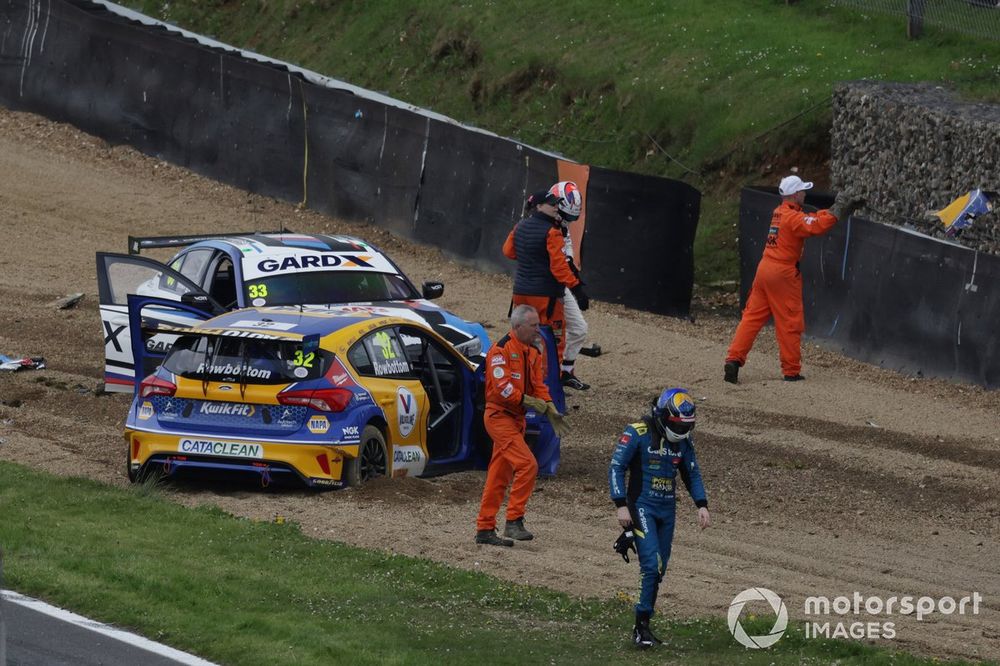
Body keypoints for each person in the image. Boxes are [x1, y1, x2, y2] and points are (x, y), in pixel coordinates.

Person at [724, 175, 862, 383]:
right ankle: (791, 371)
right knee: (790, 321)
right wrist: (839, 208)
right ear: (796, 194)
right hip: (783, 274)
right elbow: (815, 225)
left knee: (751, 318)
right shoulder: (792, 218)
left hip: (765, 270)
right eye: (803, 191)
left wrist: (838, 211)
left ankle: (733, 359)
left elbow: (812, 219)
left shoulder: (780, 213)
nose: (805, 194)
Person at [608, 388, 710, 648]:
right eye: (677, 423)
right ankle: (640, 627)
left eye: (686, 424)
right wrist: (621, 505)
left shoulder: (684, 442)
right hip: (642, 507)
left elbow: (692, 474)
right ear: (663, 415)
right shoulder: (636, 432)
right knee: (651, 567)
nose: (681, 428)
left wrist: (702, 504)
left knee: (660, 569)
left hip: (667, 511)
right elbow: (616, 467)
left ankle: (644, 627)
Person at [475, 304, 570, 547]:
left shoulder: (534, 352)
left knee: (499, 475)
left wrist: (550, 408)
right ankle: (514, 521)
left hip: (516, 420)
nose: (538, 330)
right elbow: (502, 388)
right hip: (499, 417)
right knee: (528, 465)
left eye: (538, 324)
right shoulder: (500, 350)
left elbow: (539, 385)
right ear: (517, 327)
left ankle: (485, 529)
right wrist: (529, 401)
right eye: (534, 325)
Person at [503, 189, 588, 370]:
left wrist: (531, 257)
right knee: (552, 340)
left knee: (521, 335)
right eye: (552, 204)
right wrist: (577, 288)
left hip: (520, 292)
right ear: (539, 206)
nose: (557, 207)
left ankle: (516, 374)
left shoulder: (519, 226)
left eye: (557, 203)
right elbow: (558, 268)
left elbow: (508, 251)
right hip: (545, 296)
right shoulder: (552, 231)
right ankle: (548, 387)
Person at [549, 181, 591, 391]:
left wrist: (576, 284)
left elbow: (567, 261)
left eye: (571, 217)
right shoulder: (543, 227)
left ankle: (566, 371)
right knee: (545, 335)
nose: (568, 221)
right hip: (541, 289)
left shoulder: (562, 229)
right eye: (566, 215)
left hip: (560, 286)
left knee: (579, 328)